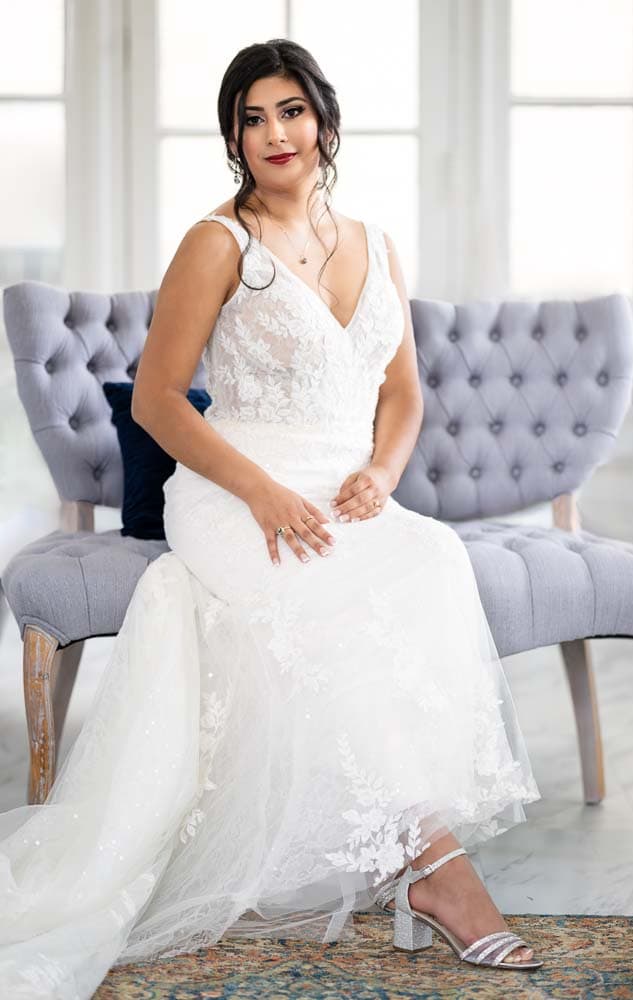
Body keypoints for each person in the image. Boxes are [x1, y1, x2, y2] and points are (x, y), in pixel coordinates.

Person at [0, 38, 544, 997]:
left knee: (429, 561)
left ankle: (414, 858)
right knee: (322, 598)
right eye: (251, 119)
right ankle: (438, 871)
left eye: (289, 111)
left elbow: (403, 394)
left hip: (341, 489)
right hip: (234, 489)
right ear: (234, 140)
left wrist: (381, 471)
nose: (273, 134)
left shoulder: (374, 242)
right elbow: (161, 401)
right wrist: (258, 491)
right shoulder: (219, 243)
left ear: (324, 122)